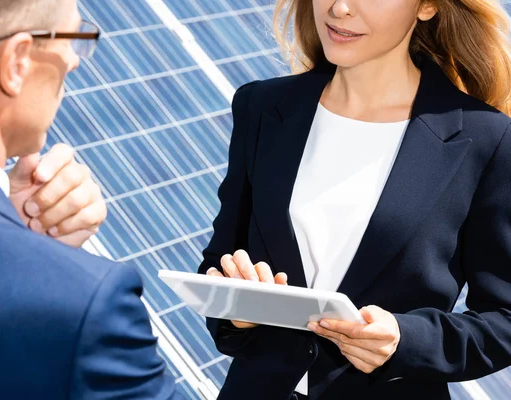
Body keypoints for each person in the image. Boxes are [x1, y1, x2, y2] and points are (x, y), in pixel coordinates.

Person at [199, 0, 511, 399]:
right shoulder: (261, 106)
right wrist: (235, 309)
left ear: (428, 6)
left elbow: (504, 317)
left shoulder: (487, 140)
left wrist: (406, 339)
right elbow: (219, 260)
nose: (340, 8)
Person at [0, 0, 176, 399]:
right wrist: (35, 265)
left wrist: (9, 233)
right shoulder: (85, 309)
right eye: (71, 38)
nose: (73, 62)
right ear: (16, 62)